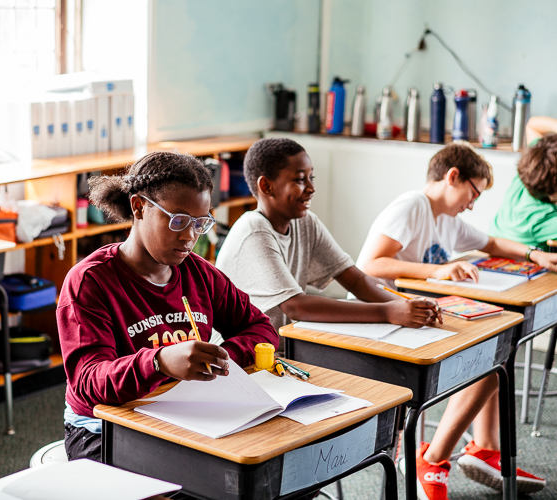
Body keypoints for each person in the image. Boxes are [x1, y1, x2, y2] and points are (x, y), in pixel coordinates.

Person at [57, 151, 279, 462]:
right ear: (139, 207)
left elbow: (261, 328)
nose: (189, 236)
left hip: (183, 416)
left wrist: (221, 359)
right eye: (177, 220)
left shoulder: (200, 274)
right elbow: (89, 381)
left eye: (200, 222)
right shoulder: (90, 281)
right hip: (103, 428)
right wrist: (159, 362)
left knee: (263, 469)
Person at [356, 142, 549, 499]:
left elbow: (492, 242)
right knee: (495, 350)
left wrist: (534, 254)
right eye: (473, 193)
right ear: (452, 176)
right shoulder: (413, 205)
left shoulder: (448, 221)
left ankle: (485, 447)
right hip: (379, 321)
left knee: (499, 342)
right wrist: (439, 270)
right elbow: (370, 265)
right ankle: (432, 457)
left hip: (417, 319)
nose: (473, 204)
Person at [215, 137, 442, 353]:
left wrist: (409, 305)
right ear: (267, 186)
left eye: (311, 178)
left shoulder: (306, 222)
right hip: (240, 357)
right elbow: (296, 306)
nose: (311, 188)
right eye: (300, 179)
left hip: (285, 347)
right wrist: (388, 312)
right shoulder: (254, 230)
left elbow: (355, 278)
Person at [490, 116, 557, 248]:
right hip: (513, 263)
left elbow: (533, 125)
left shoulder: (532, 170)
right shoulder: (545, 218)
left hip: (489, 245)